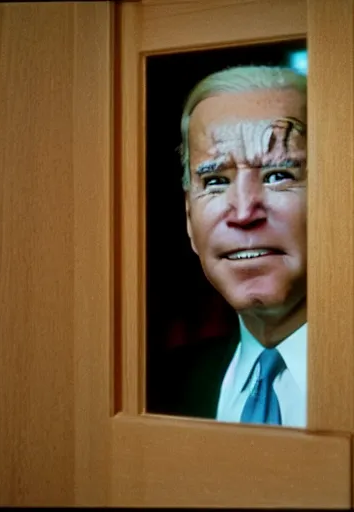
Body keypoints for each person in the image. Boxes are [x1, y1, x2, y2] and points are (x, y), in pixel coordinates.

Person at [148, 65, 307, 428]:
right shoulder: (162, 389)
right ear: (189, 218)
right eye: (216, 180)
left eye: (279, 175)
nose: (244, 211)